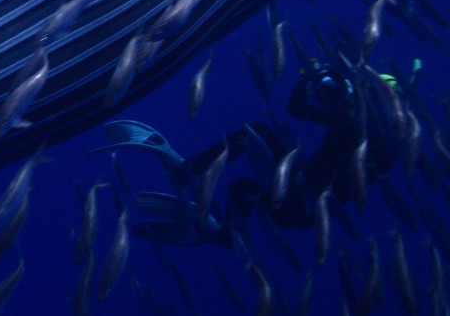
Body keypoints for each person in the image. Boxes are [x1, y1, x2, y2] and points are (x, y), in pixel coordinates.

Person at [99, 57, 407, 245]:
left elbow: (296, 108)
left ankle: (190, 170)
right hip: (304, 206)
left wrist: (308, 80)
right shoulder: (388, 144)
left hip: (300, 202)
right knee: (243, 187)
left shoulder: (354, 126)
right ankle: (226, 236)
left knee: (254, 134)